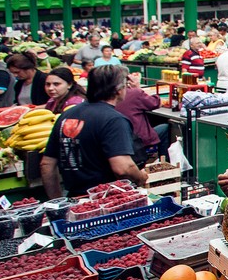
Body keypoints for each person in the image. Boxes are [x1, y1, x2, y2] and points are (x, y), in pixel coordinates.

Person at [40, 65, 148, 197]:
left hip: (74, 197)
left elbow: (47, 164)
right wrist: (140, 177)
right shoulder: (114, 120)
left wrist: (57, 201)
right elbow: (123, 168)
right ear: (118, 90)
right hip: (106, 199)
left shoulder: (66, 115)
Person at [112, 71, 167, 161]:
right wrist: (137, 88)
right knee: (165, 127)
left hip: (119, 140)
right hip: (138, 141)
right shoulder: (134, 93)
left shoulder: (105, 96)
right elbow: (156, 103)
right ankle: (164, 162)